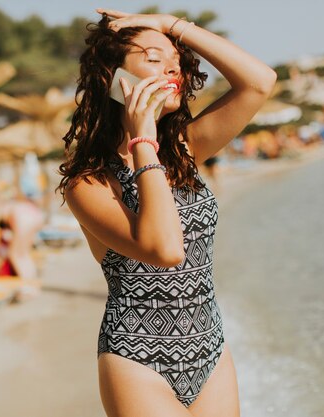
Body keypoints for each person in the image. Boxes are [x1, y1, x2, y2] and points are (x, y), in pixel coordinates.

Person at [58, 9, 276, 415]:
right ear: (113, 78)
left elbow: (260, 82)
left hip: (210, 349)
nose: (172, 70)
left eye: (177, 64)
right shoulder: (88, 183)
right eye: (154, 60)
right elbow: (165, 250)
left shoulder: (186, 150)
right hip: (137, 361)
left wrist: (172, 24)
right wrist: (143, 138)